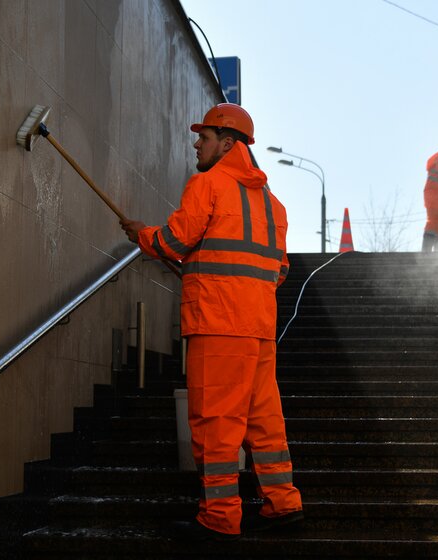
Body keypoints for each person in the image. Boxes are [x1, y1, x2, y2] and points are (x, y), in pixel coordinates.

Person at [120, 103, 303, 541]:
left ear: (227, 143)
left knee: (216, 421)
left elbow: (175, 239)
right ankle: (283, 504)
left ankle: (220, 517)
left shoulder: (208, 184)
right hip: (259, 330)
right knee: (264, 423)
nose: (195, 144)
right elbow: (279, 270)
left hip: (218, 325)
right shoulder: (273, 206)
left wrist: (143, 234)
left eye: (202, 138)